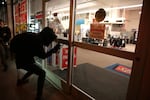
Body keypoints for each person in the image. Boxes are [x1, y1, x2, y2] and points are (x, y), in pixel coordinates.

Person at [10, 27, 61, 100]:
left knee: (33, 68)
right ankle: (38, 97)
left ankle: (20, 81)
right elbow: (43, 56)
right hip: (22, 58)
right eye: (50, 40)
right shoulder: (38, 41)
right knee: (42, 73)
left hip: (23, 55)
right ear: (47, 37)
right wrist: (54, 50)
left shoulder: (36, 36)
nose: (50, 42)